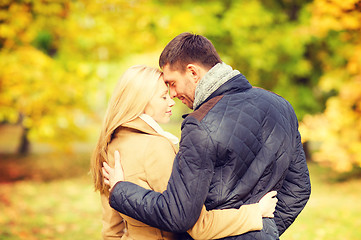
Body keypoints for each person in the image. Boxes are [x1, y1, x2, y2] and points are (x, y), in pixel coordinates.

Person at [105, 33, 312, 240]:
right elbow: (298, 189)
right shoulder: (282, 106)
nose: (173, 95)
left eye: (173, 83)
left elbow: (180, 215)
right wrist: (264, 230)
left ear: (193, 72)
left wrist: (120, 191)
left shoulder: (201, 123)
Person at [91, 65, 278, 240]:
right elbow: (195, 225)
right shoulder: (155, 147)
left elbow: (111, 231)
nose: (171, 101)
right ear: (140, 102)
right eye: (163, 97)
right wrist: (255, 212)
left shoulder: (110, 146)